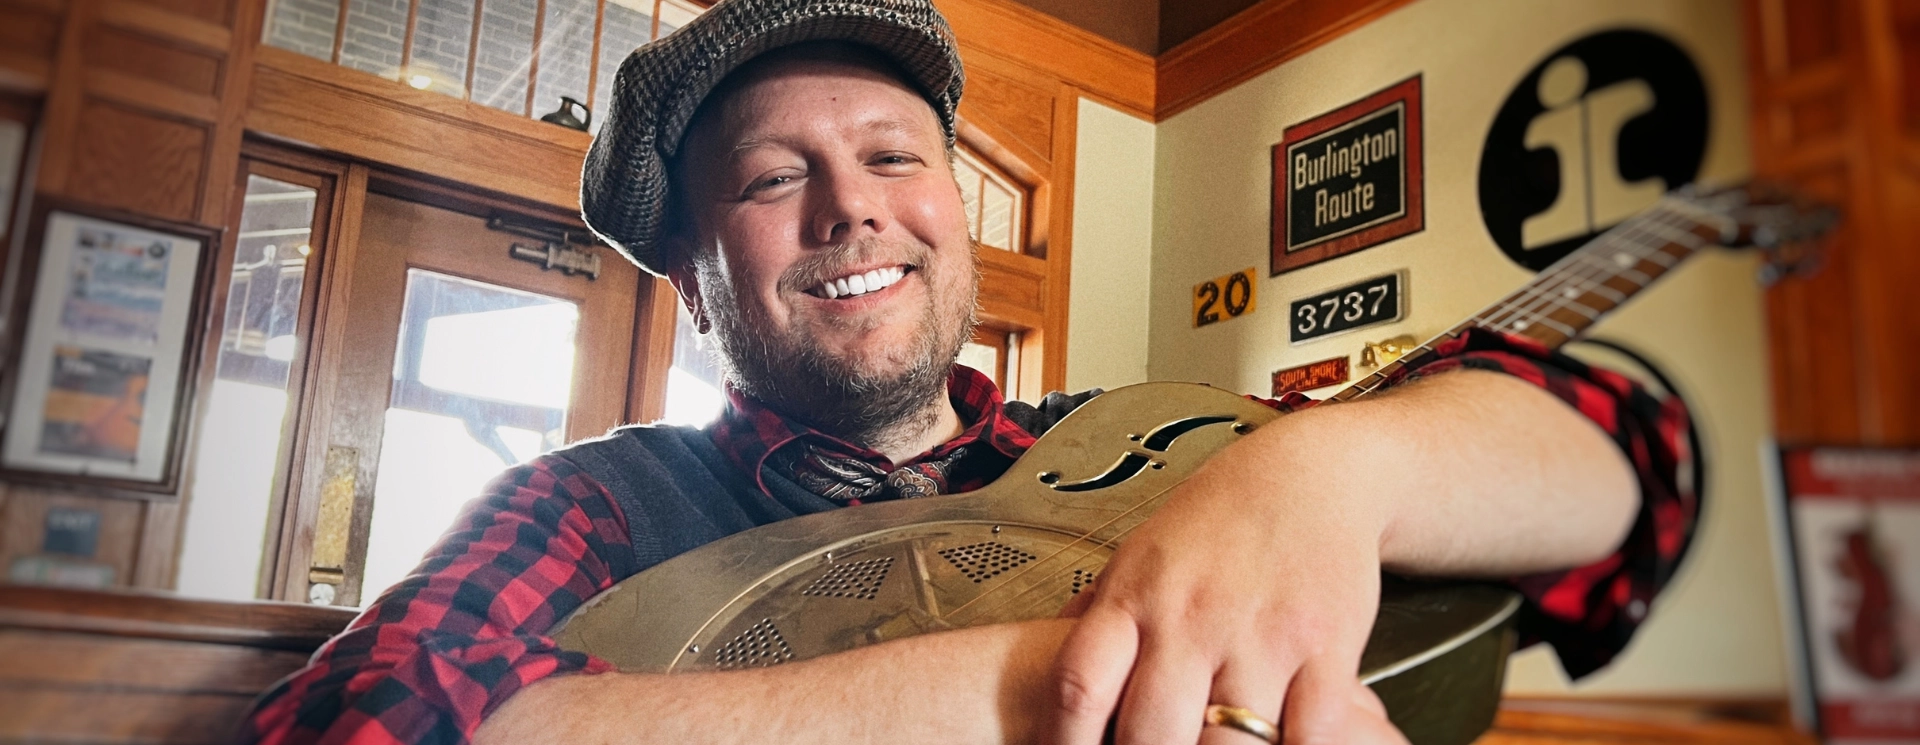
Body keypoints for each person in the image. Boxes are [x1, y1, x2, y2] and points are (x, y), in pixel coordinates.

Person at [241, 0, 1696, 743]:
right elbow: (369, 725)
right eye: (772, 179)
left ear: (952, 208)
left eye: (892, 159)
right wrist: (1089, 670)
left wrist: (1331, 466)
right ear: (693, 278)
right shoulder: (594, 509)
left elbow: (1627, 464)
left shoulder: (1144, 447)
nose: (851, 207)